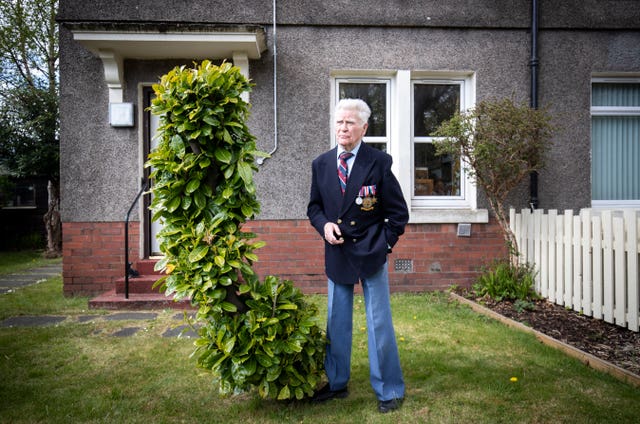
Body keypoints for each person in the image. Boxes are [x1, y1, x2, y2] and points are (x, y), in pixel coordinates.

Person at [307, 98, 409, 413]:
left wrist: (385, 243)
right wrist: (324, 227)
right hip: (337, 252)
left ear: (364, 128)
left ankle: (389, 390)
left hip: (370, 252)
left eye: (350, 122)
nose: (343, 128)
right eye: (339, 122)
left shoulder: (378, 162)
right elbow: (314, 207)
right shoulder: (322, 163)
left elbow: (398, 212)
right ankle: (336, 383)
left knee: (379, 323)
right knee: (336, 322)